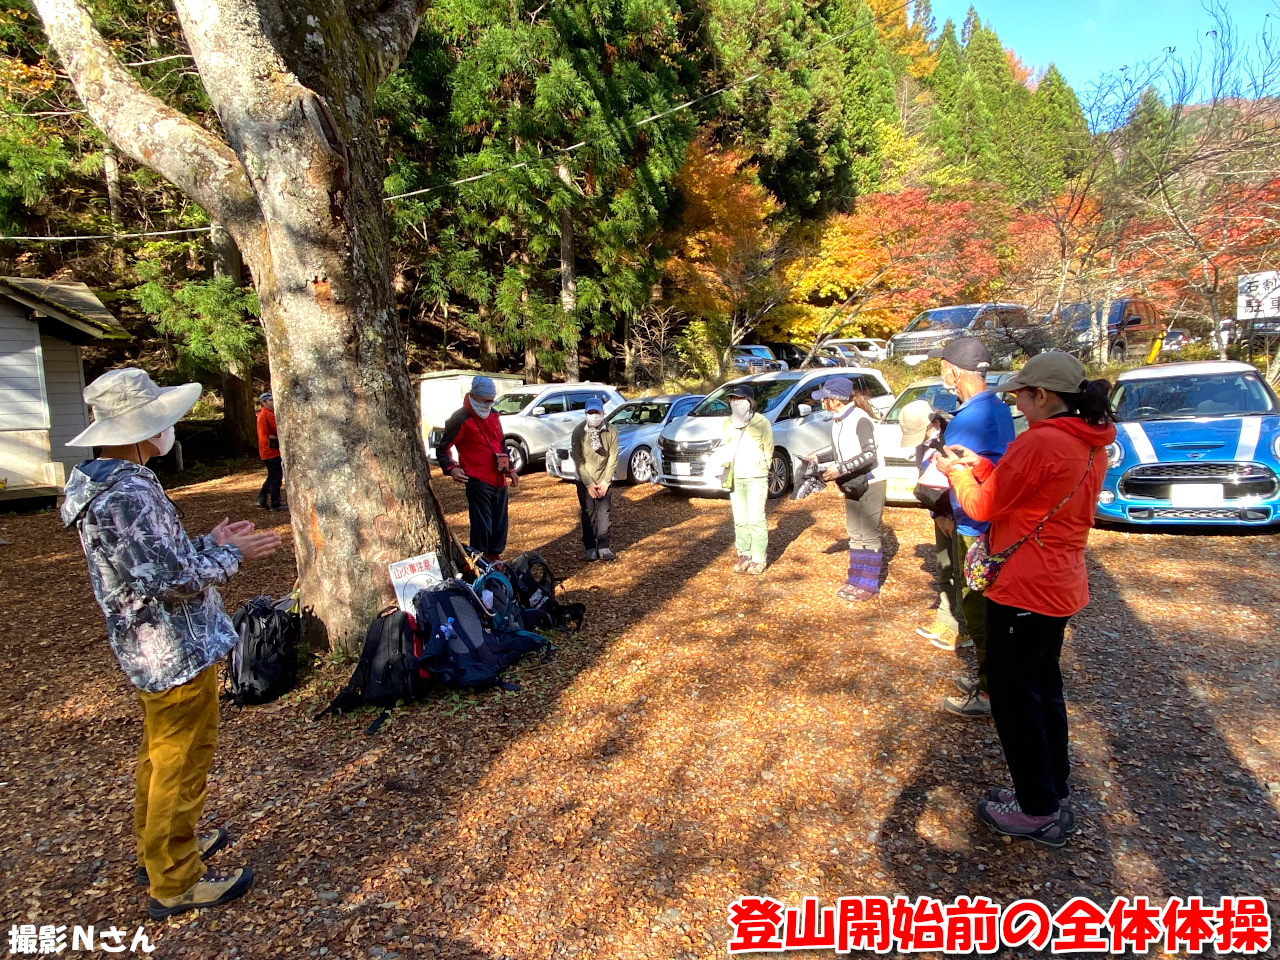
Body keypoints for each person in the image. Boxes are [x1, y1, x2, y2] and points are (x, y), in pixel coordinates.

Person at [60, 368, 282, 919]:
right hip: (171, 647)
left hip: (155, 646)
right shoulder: (126, 492)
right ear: (140, 430)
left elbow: (156, 559)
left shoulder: (110, 484)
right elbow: (169, 578)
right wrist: (233, 556)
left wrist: (210, 541)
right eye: (160, 421)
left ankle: (157, 849)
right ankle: (175, 878)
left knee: (162, 757)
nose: (168, 431)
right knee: (180, 759)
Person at [935, 352, 1115, 848]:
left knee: (1016, 704)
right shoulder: (1090, 440)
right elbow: (1034, 491)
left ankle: (1036, 809)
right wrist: (986, 464)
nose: (1018, 404)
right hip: (1059, 582)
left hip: (1022, 586)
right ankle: (1051, 787)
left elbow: (982, 507)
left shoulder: (1041, 441)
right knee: (1043, 691)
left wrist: (957, 473)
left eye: (1022, 396)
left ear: (1043, 395)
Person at [924, 338, 1015, 719]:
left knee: (978, 610)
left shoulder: (972, 417)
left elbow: (948, 473)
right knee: (983, 607)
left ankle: (990, 690)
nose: (941, 374)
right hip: (990, 522)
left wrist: (940, 508)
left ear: (954, 372)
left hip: (975, 525)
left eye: (942, 366)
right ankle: (986, 675)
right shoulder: (998, 408)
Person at [813, 376, 886, 602]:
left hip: (871, 482)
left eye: (825, 398)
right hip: (851, 482)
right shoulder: (837, 421)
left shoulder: (860, 420)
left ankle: (868, 584)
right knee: (854, 532)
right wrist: (817, 456)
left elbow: (869, 455)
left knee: (869, 534)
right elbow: (839, 451)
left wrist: (841, 468)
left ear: (836, 400)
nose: (822, 402)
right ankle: (854, 579)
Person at [437, 375, 519, 562]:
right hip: (477, 479)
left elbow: (501, 443)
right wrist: (452, 468)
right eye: (485, 401)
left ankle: (495, 559)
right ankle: (480, 562)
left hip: (499, 477)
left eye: (491, 400)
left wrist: (511, 469)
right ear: (474, 396)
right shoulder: (460, 418)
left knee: (500, 524)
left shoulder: (494, 414)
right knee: (482, 526)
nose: (488, 405)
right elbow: (443, 449)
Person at [721, 383, 773, 575]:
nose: (736, 403)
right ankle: (744, 554)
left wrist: (763, 466)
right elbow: (727, 445)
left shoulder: (762, 422)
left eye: (740, 400)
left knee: (756, 519)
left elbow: (769, 448)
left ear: (750, 402)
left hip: (756, 476)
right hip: (736, 476)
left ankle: (759, 558)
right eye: (733, 400)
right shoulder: (728, 423)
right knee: (740, 519)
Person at [570, 396, 619, 561]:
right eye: (590, 412)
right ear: (585, 414)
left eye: (596, 412)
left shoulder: (611, 431)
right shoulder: (578, 432)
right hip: (585, 479)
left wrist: (605, 481)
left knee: (604, 513)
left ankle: (604, 546)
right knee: (587, 513)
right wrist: (589, 484)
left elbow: (613, 457)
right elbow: (578, 460)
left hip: (604, 477)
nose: (593, 415)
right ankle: (590, 547)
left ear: (602, 412)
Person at [255, 391, 284, 511]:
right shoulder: (267, 414)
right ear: (264, 402)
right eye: (270, 400)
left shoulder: (263, 414)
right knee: (276, 477)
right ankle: (275, 504)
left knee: (273, 475)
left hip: (266, 451)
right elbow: (278, 429)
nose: (273, 402)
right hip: (271, 451)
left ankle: (261, 498)